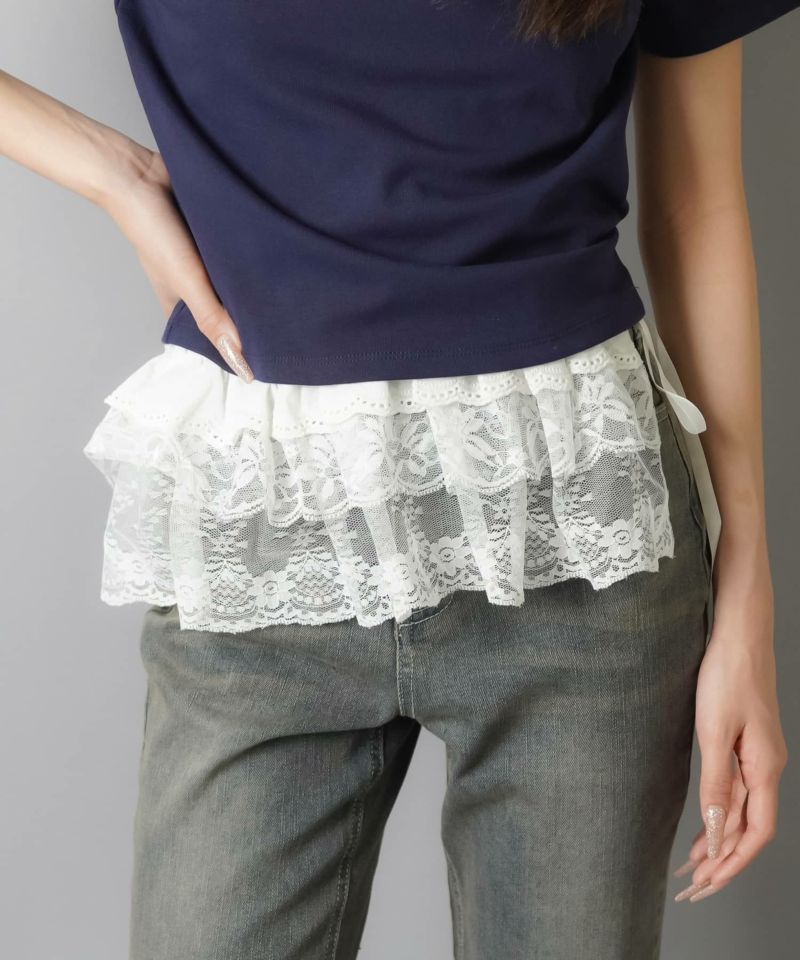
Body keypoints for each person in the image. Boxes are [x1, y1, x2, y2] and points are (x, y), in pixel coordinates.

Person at [2, 1, 796, 957]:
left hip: (583, 541)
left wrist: (746, 603)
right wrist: (113, 172)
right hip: (269, 550)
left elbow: (695, 205)